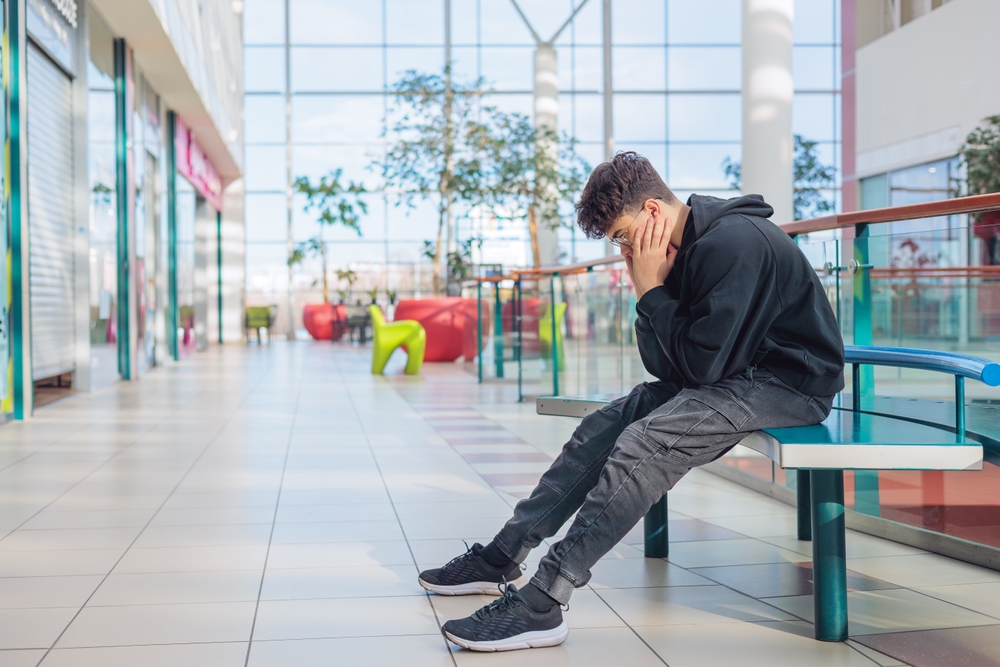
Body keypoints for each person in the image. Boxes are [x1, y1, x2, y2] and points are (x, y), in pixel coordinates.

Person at [419, 151, 845, 652]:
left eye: (623, 235)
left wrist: (649, 291)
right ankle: (502, 555)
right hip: (732, 375)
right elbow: (667, 367)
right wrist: (649, 292)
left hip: (789, 384)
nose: (624, 248)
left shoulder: (733, 245)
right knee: (600, 429)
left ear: (653, 211)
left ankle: (544, 602)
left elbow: (701, 367)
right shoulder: (680, 251)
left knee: (645, 442)